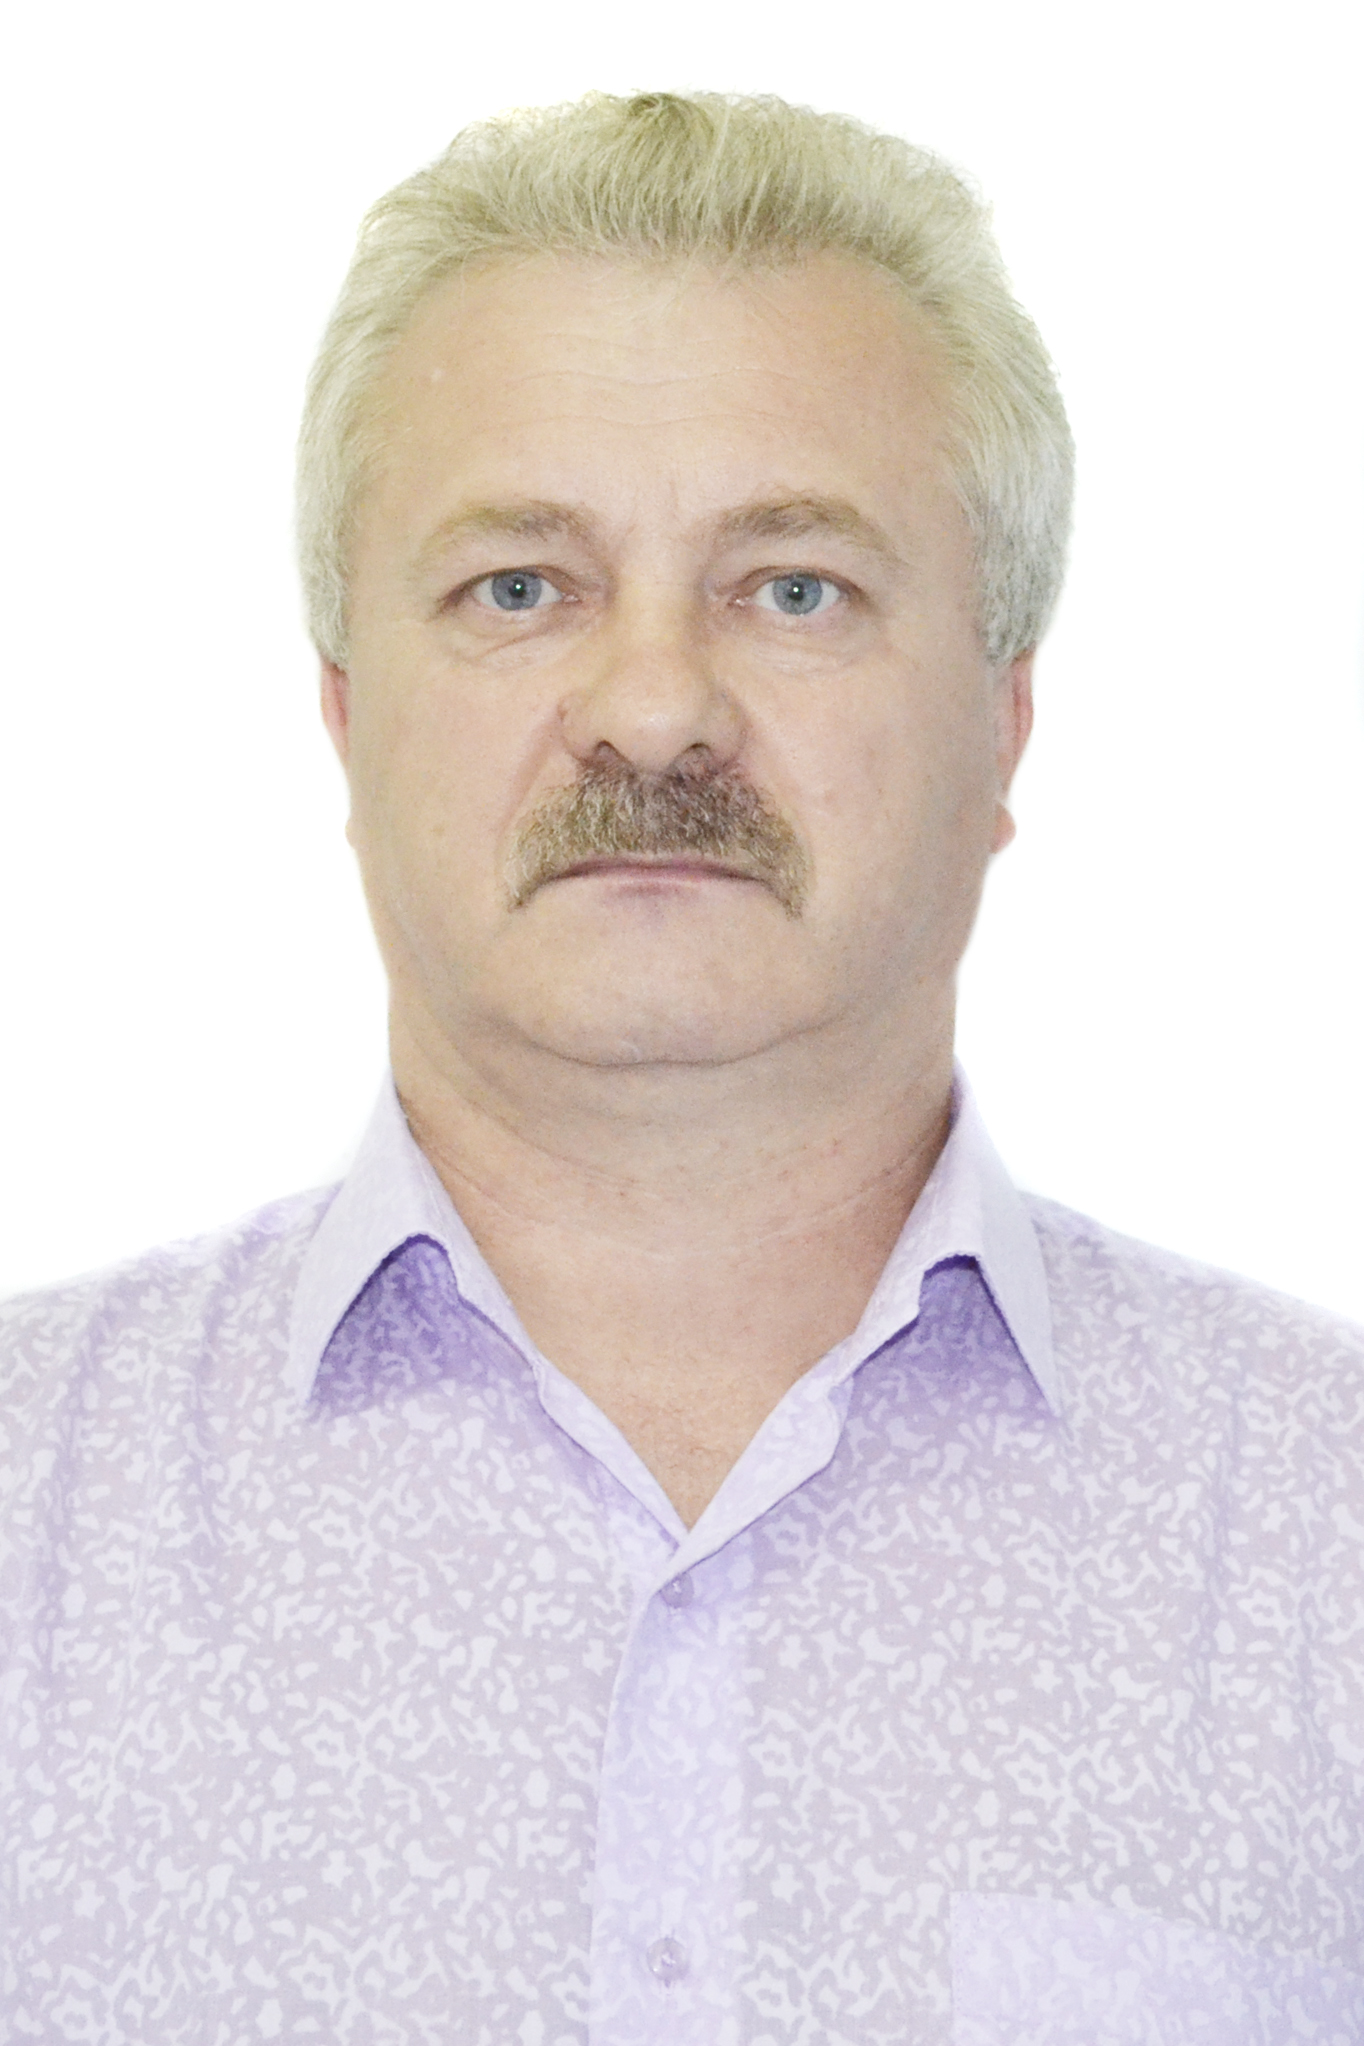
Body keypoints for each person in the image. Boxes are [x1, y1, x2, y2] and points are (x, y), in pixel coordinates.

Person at [2, 89, 1361, 2046]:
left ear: (1003, 725)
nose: (652, 707)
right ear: (345, 717)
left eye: (794, 586)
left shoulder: (1329, 1534)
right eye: (520, 587)